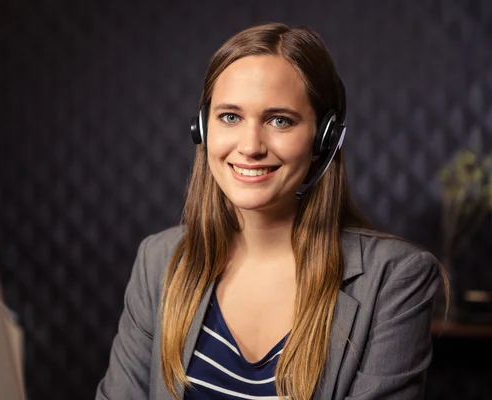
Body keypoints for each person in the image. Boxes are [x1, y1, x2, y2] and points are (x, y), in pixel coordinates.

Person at [96, 22, 446, 400]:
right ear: (201, 128)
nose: (250, 146)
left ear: (325, 138)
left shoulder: (396, 279)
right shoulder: (159, 260)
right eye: (230, 117)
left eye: (280, 120)